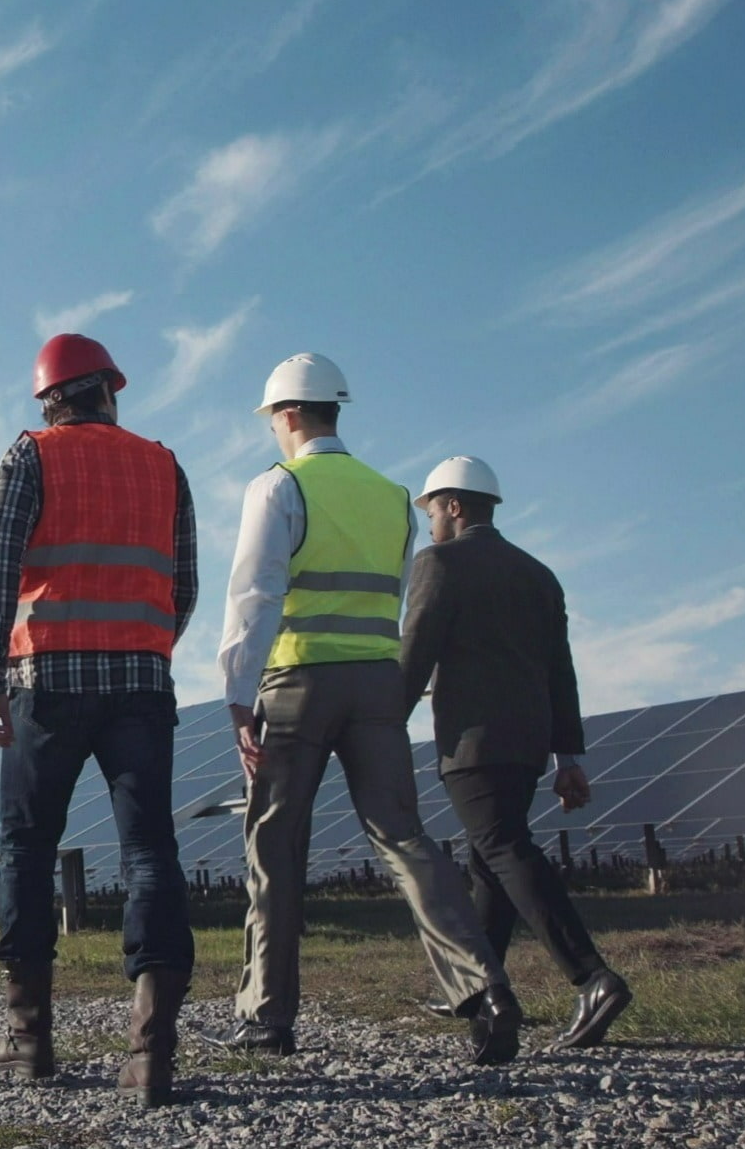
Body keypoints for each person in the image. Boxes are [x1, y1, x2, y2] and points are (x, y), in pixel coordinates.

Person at [217, 353, 521, 1064]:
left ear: (287, 414)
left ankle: (268, 1016)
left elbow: (256, 596)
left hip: (297, 683)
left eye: (271, 419)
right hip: (378, 686)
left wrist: (238, 693)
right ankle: (485, 988)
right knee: (404, 838)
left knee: (275, 845)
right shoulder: (392, 496)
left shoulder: (279, 486)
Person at [0, 333, 199, 1106]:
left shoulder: (30, 455)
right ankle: (151, 1050)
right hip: (140, 680)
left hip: (48, 681)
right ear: (109, 389)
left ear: (48, 399)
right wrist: (145, 645)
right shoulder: (164, 465)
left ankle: (30, 1037)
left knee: (28, 847)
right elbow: (184, 583)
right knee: (149, 850)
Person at [402, 456, 632, 1050]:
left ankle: (592, 976)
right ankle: (475, 986)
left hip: (472, 744)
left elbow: (415, 653)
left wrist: (379, 724)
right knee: (490, 859)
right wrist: (568, 756)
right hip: (528, 743)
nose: (428, 525)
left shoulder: (440, 563)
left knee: (503, 848)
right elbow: (562, 671)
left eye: (430, 510)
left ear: (454, 506)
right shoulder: (539, 574)